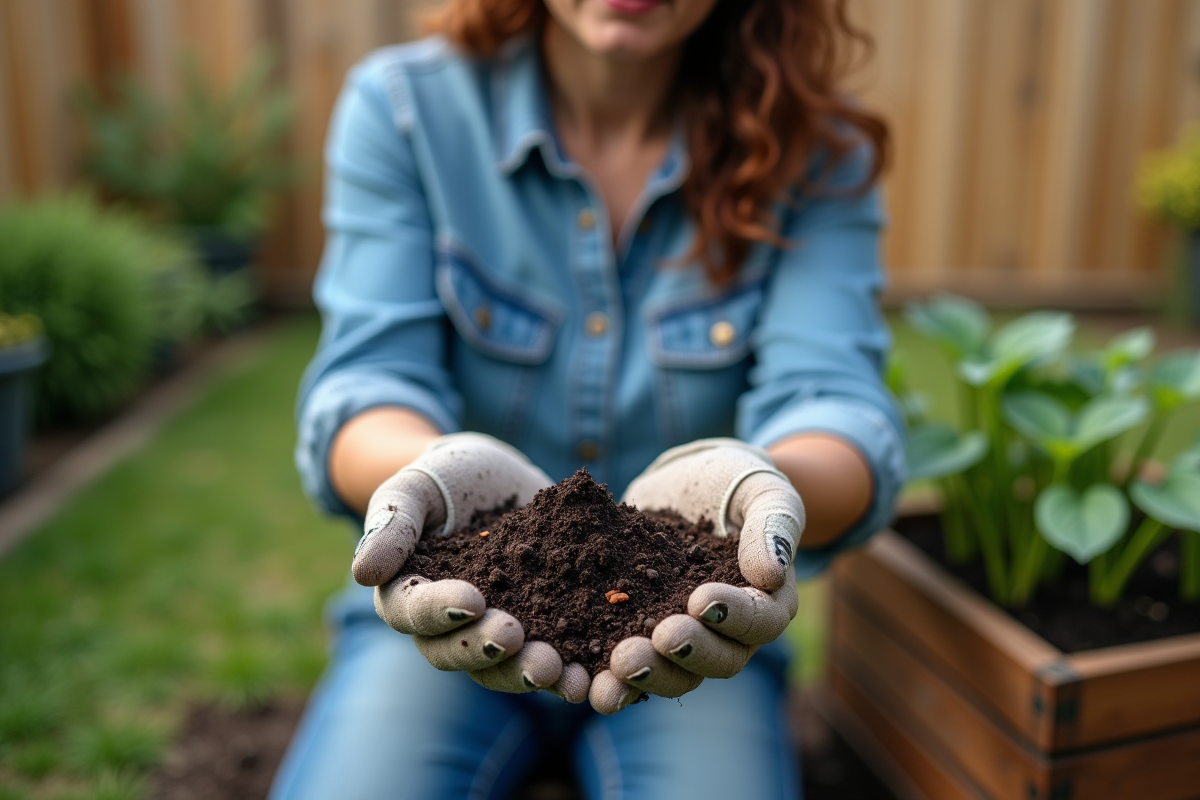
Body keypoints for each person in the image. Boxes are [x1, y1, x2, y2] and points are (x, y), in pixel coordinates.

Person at [274, 0, 905, 797]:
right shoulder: (407, 111)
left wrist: (757, 488)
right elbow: (369, 382)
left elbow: (834, 406)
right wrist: (433, 479)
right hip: (454, 604)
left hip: (698, 632)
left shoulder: (817, 152)